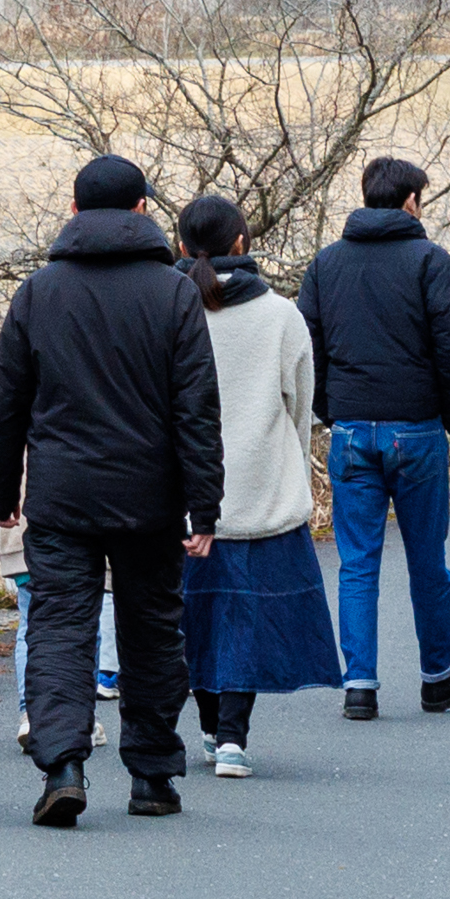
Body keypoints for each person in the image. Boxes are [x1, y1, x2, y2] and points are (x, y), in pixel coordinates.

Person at [0, 152, 224, 827]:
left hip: (62, 497)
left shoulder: (39, 291)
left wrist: (4, 494)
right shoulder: (173, 292)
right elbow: (196, 408)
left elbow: (5, 406)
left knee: (60, 627)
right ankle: (152, 775)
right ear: (144, 208)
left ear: (74, 209)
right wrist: (204, 504)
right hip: (151, 497)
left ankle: (63, 765)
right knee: (151, 630)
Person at [296, 154, 450, 720]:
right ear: (409, 202)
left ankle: (360, 685)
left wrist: (335, 412)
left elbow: (309, 351)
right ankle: (436, 676)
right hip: (416, 430)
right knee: (428, 559)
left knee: (357, 563)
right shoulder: (431, 261)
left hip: (352, 431)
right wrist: (444, 418)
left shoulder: (326, 265)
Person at [173, 194, 338, 780]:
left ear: (181, 245)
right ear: (241, 243)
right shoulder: (280, 316)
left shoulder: (169, 309)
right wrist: (291, 467)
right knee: (246, 616)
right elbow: (300, 410)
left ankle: (212, 727)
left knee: (193, 616)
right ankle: (232, 740)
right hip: (260, 490)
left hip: (184, 496)